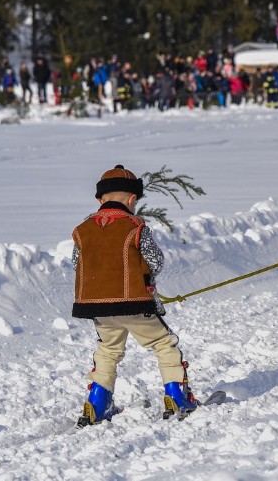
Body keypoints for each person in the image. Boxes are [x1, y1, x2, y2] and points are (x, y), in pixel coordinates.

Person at [71, 165, 200, 426]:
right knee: (163, 344)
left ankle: (97, 402)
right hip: (135, 303)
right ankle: (176, 396)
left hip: (98, 307)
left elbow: (77, 263)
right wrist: (142, 276)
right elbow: (154, 260)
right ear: (132, 200)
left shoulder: (82, 230)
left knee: (107, 349)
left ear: (99, 200)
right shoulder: (135, 225)